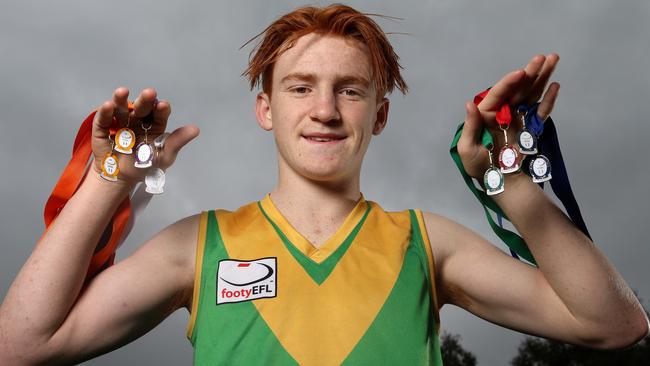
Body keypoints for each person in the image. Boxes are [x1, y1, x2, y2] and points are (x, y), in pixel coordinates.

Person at [0, 4, 647, 365]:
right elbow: (21, 344)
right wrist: (109, 181)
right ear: (266, 109)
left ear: (380, 113)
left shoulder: (425, 244)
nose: (325, 109)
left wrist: (508, 179)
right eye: (300, 88)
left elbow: (616, 324)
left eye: (350, 90)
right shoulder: (199, 246)